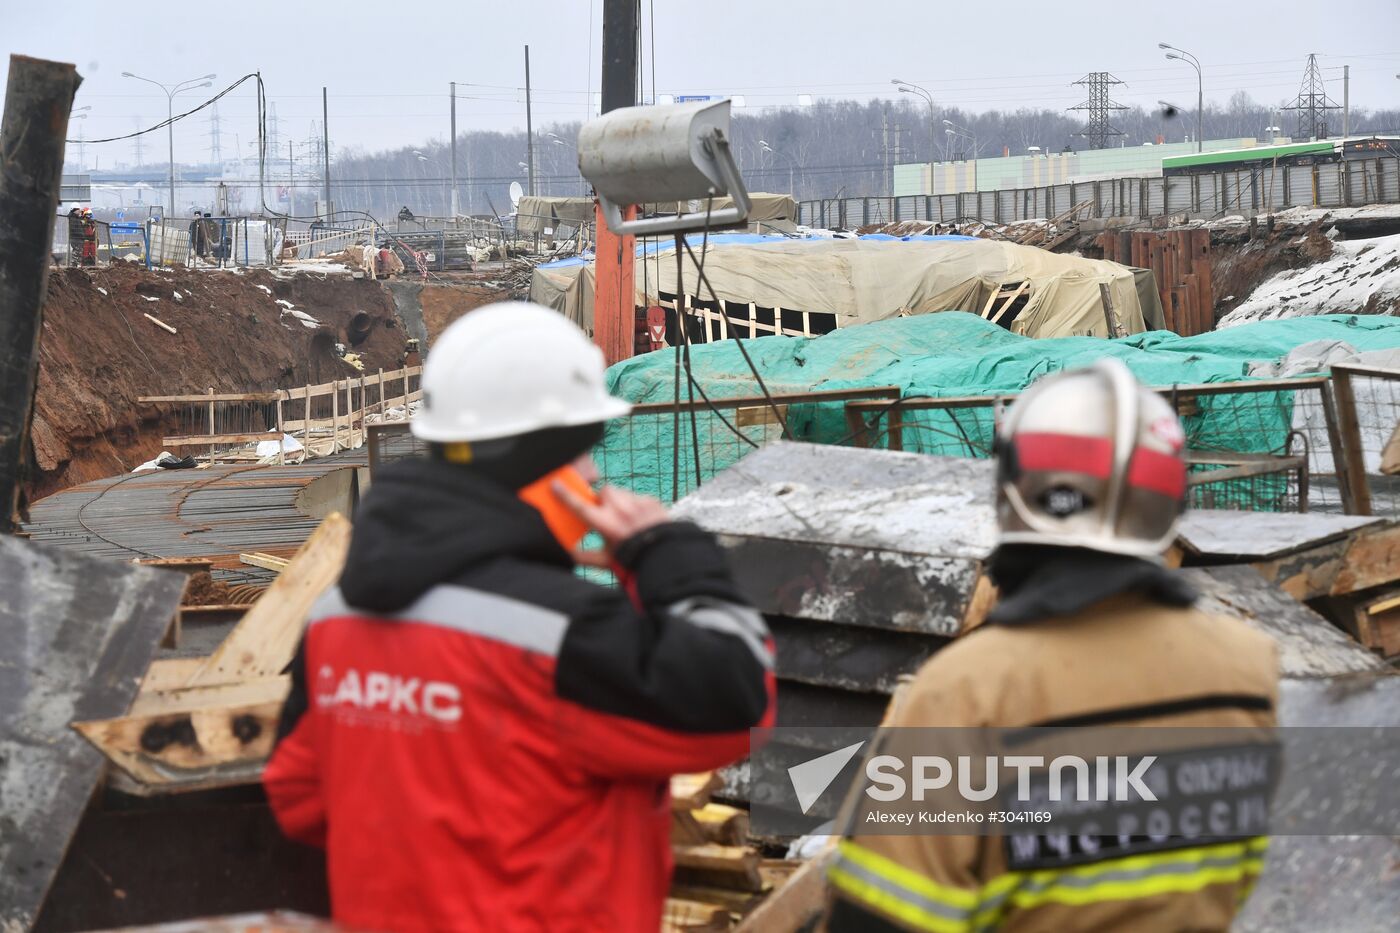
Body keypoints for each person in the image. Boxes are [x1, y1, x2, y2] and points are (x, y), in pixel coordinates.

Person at [264, 302, 775, 933]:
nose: (594, 475)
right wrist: (667, 553)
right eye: (587, 451)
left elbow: (299, 799)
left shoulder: (337, 617)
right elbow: (733, 700)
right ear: (549, 461)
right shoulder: (557, 634)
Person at [825, 359, 1279, 933]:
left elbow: (877, 920)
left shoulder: (964, 696)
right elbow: (1239, 873)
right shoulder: (1248, 668)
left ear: (1015, 490)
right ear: (1168, 499)